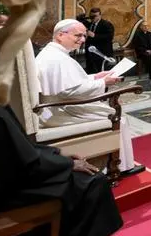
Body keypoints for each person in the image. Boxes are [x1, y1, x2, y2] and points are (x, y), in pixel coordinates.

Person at [0, 105, 123, 236]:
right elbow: (30, 163)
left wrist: (57, 155)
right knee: (92, 180)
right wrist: (68, 164)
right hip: (8, 190)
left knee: (77, 177)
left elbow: (23, 150)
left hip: (6, 180)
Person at [36, 19, 144, 176]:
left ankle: (119, 162)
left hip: (61, 105)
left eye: (84, 36)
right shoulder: (56, 58)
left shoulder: (53, 53)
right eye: (78, 35)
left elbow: (71, 83)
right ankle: (119, 166)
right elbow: (70, 92)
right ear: (60, 35)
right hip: (63, 109)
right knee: (118, 117)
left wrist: (96, 77)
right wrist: (103, 82)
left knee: (114, 113)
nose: (83, 40)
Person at [84, 8, 114, 74]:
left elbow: (109, 37)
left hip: (102, 53)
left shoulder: (106, 24)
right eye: (91, 16)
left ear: (100, 15)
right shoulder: (90, 24)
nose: (93, 18)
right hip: (90, 54)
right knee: (91, 72)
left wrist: (95, 35)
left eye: (95, 16)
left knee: (101, 73)